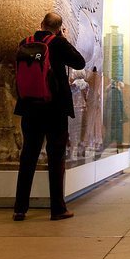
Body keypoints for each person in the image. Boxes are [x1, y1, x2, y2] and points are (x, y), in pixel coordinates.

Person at [13, 12, 85, 222]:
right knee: (56, 159)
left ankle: (20, 208)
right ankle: (57, 208)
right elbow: (80, 62)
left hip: (29, 108)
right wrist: (63, 38)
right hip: (54, 110)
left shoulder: (24, 43)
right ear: (58, 28)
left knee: (28, 157)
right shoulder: (58, 44)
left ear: (41, 24)